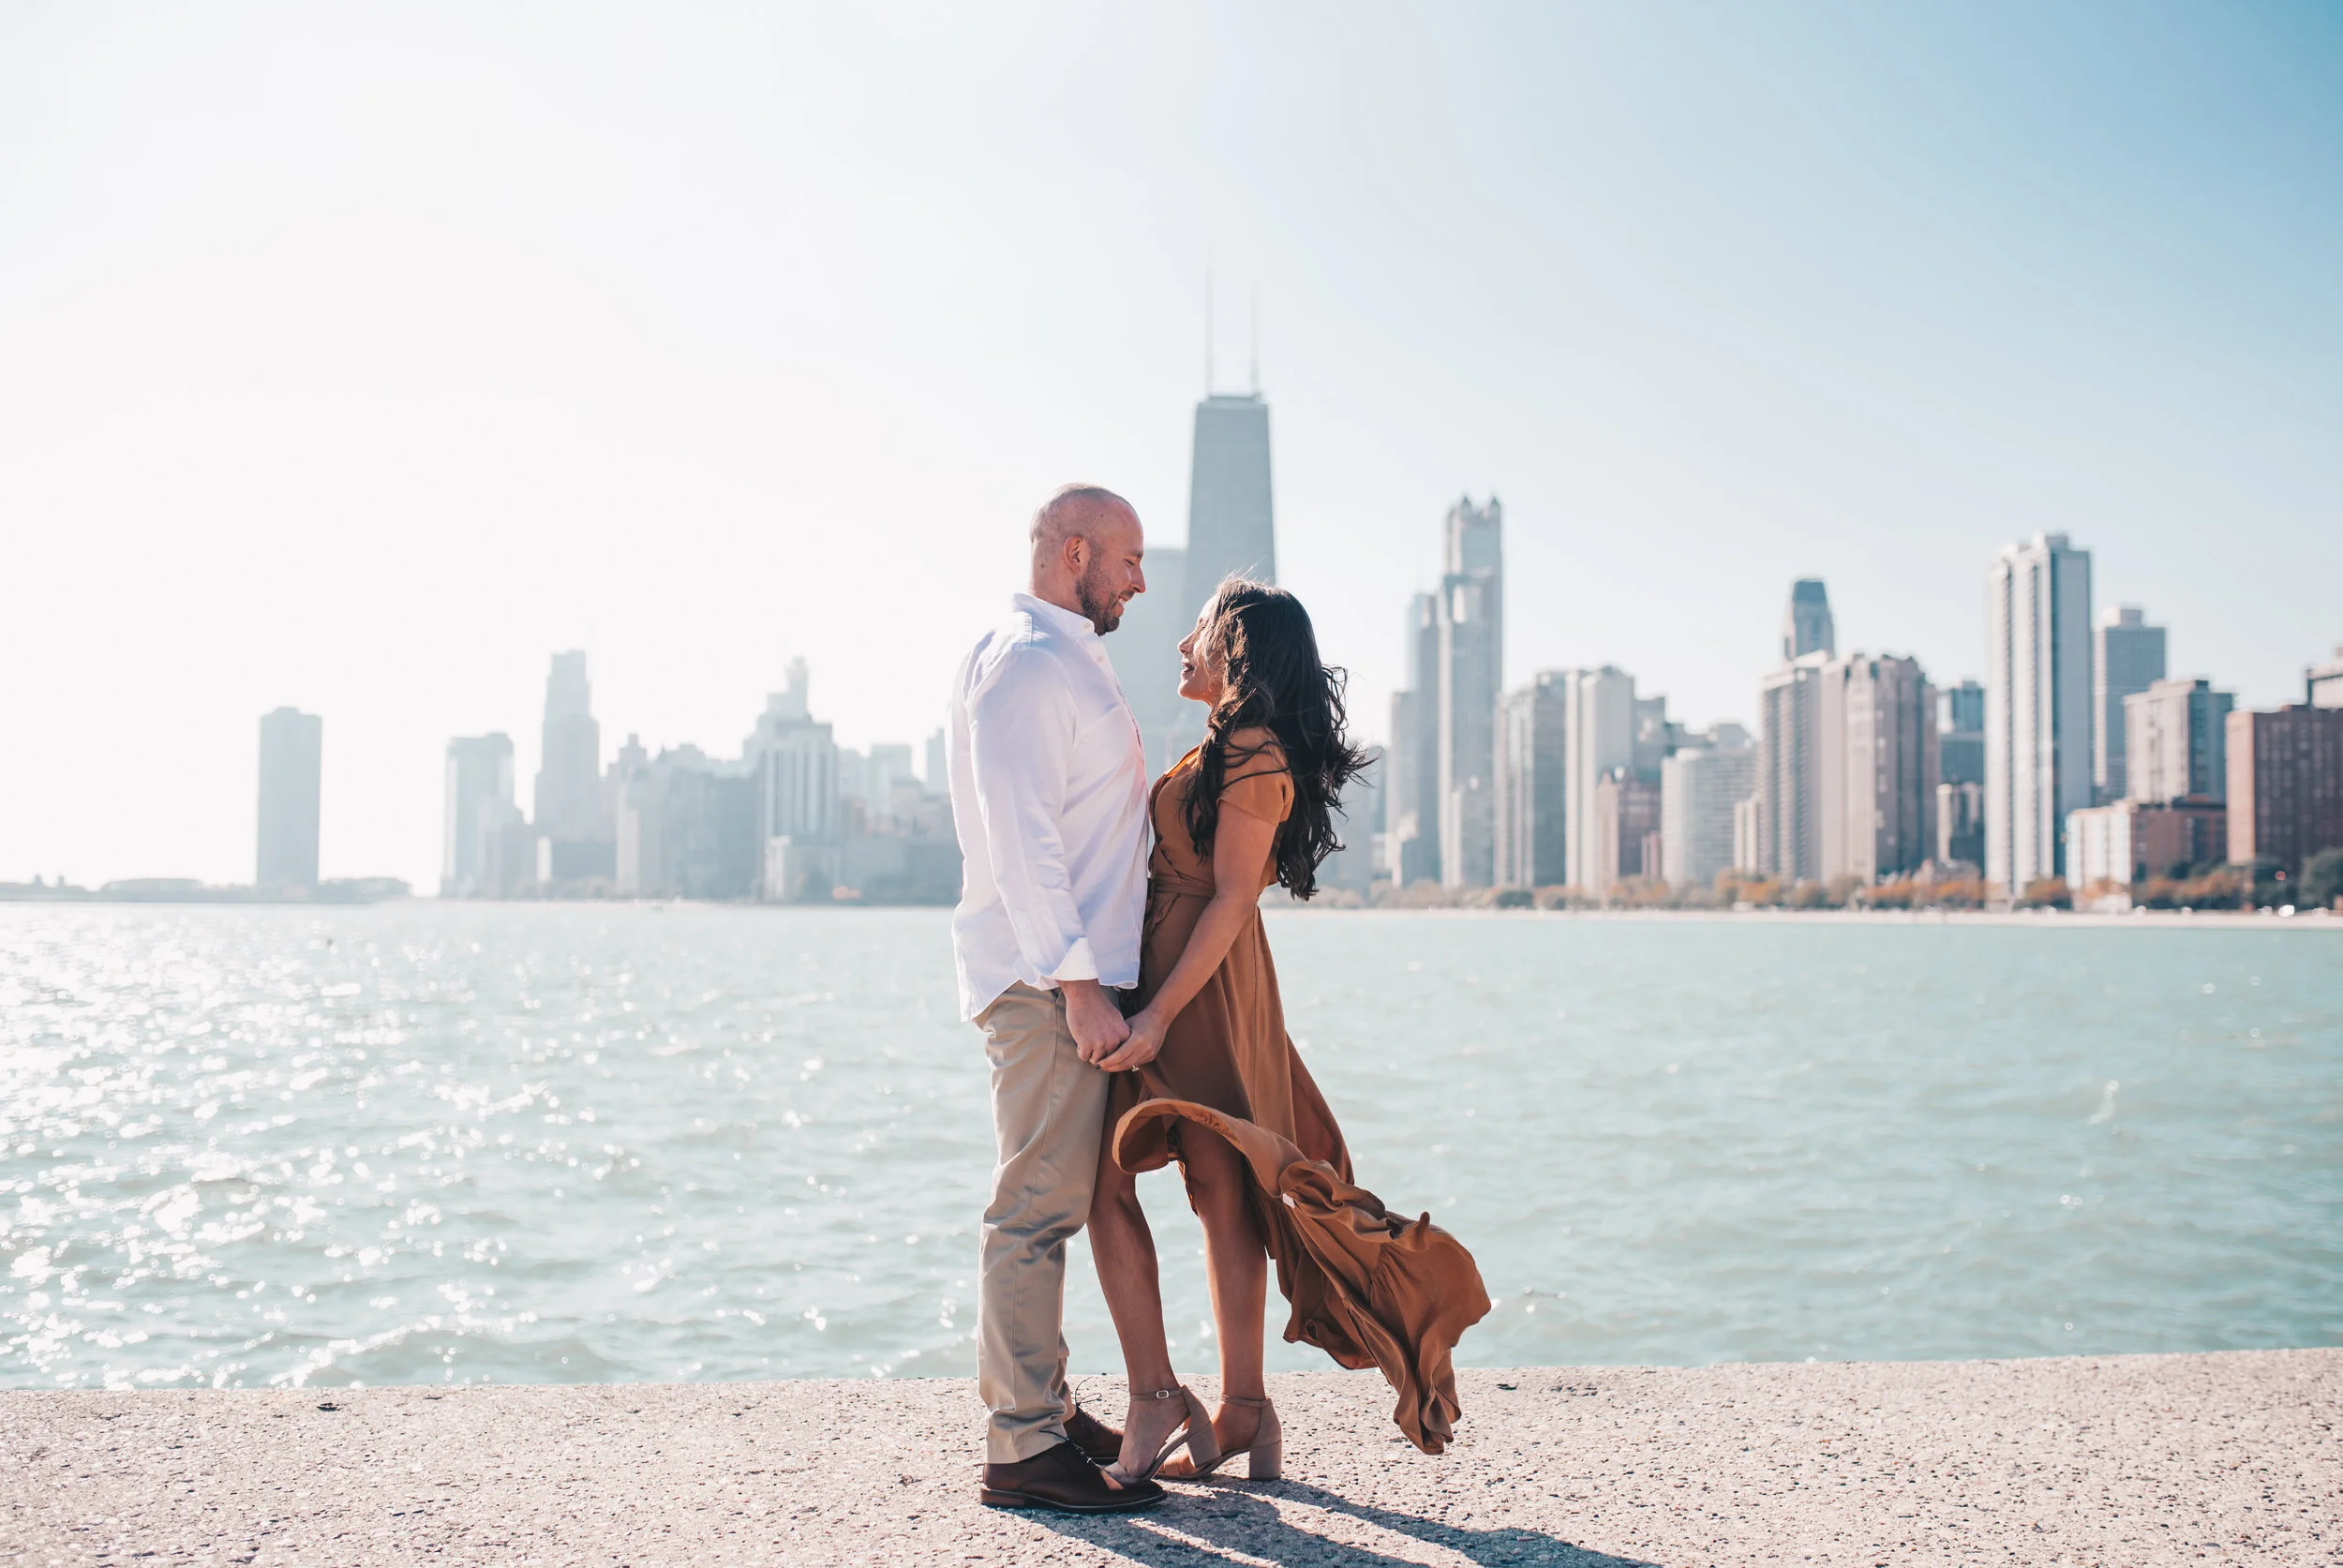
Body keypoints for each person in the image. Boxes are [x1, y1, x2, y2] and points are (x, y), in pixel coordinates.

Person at [1085, 578, 1492, 1485]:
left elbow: (1232, 897)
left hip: (1203, 986)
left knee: (1218, 1183)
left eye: (1197, 628)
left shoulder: (1251, 749)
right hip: (1180, 975)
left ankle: (1241, 1407)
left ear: (1233, 643)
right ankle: (1245, 1413)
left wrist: (1156, 1013)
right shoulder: (1232, 742)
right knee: (1205, 1185)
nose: (1181, 642)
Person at [946, 484, 1166, 1515]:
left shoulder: (1062, 655)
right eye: (1125, 557)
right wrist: (1079, 985)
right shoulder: (1028, 664)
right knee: (1032, 1210)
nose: (1138, 577)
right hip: (1046, 987)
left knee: (1054, 1204)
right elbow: (1025, 840)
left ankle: (1045, 1404)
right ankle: (1023, 1445)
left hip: (1070, 978)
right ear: (1072, 552)